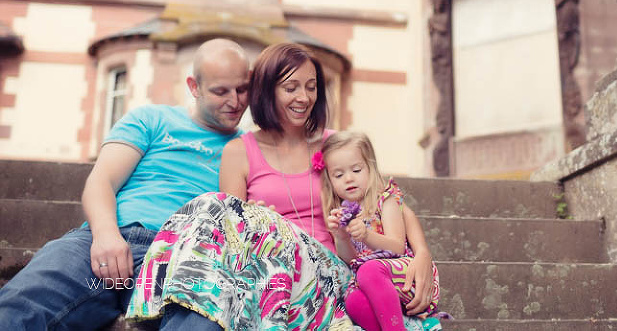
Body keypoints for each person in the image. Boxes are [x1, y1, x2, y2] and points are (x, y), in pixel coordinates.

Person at [125, 43, 438, 330]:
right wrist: (256, 218)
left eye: (312, 87)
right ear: (267, 91)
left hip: (329, 276)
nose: (304, 97)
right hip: (269, 273)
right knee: (217, 209)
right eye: (291, 87)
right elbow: (230, 239)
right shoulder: (239, 151)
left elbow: (387, 198)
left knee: (218, 208)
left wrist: (421, 253)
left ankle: (156, 296)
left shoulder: (334, 145)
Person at [0, 38, 251, 330]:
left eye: (243, 88)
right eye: (221, 91)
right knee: (22, 304)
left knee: (207, 322)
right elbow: (101, 181)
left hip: (184, 256)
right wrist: (106, 236)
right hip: (109, 239)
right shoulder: (152, 118)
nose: (235, 102)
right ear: (193, 87)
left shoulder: (248, 148)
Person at [321, 131, 440, 331]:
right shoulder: (343, 212)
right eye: (339, 175)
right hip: (374, 285)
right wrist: (341, 238)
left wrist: (367, 235)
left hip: (406, 275)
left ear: (370, 168)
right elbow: (353, 260)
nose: (348, 179)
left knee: (369, 270)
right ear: (330, 180)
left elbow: (397, 246)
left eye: (357, 170)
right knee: (353, 300)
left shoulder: (385, 200)